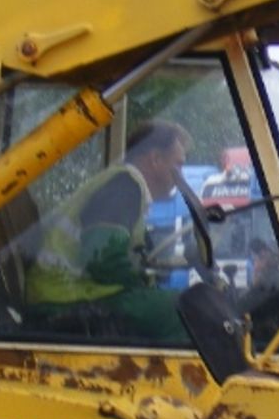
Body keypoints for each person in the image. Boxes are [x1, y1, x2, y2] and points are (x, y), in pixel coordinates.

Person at [25, 120, 192, 341]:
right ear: (156, 160)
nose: (181, 175)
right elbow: (101, 257)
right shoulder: (124, 187)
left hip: (65, 292)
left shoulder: (123, 186)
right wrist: (140, 281)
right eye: (178, 165)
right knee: (185, 311)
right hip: (63, 299)